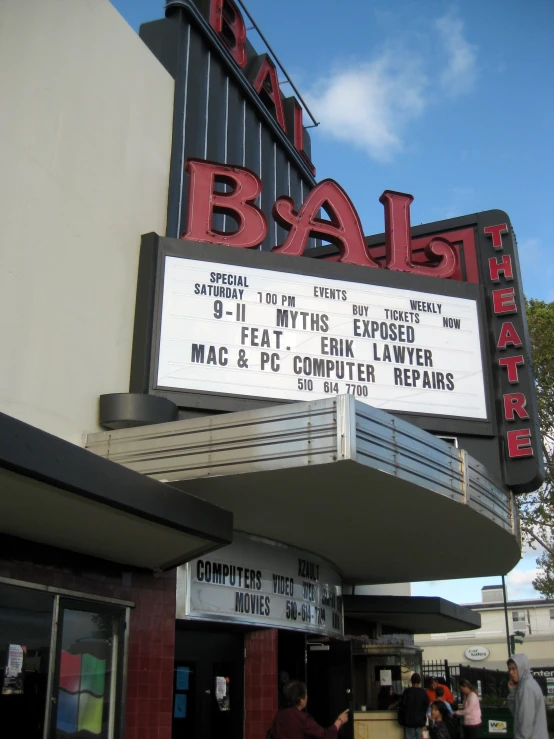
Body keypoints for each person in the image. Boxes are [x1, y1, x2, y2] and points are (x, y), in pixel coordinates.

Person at [271, 680, 349, 739]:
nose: (307, 697)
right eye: (306, 695)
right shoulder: (301, 718)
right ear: (301, 700)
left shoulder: (279, 716)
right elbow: (324, 736)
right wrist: (339, 721)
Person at [507, 654, 549, 739]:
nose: (511, 672)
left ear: (521, 668)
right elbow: (517, 714)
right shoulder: (525, 684)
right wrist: (513, 691)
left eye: (514, 669)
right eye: (509, 669)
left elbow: (525, 724)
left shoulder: (526, 688)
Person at [398, 672, 430, 739]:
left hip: (408, 721)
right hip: (420, 722)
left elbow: (402, 706)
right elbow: (426, 706)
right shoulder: (423, 693)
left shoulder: (407, 692)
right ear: (419, 681)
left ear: (411, 681)